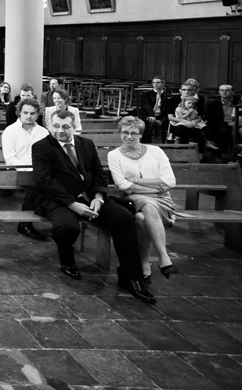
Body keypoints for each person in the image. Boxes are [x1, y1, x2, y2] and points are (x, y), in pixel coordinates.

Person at [32, 111, 156, 303]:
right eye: (55, 126)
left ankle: (131, 276)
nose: (60, 131)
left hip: (89, 197)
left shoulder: (86, 144)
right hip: (58, 199)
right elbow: (45, 182)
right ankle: (66, 257)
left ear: (74, 126)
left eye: (65, 127)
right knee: (68, 227)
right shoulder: (42, 147)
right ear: (50, 125)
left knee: (124, 218)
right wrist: (73, 205)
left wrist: (98, 196)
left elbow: (99, 174)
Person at [107, 116, 178, 280]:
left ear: (141, 134)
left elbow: (170, 181)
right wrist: (156, 187)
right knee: (146, 204)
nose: (129, 137)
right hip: (132, 200)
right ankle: (164, 258)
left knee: (141, 217)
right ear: (119, 133)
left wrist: (136, 181)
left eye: (134, 133)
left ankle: (145, 261)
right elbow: (122, 185)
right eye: (125, 132)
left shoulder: (156, 151)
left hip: (162, 201)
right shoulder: (114, 155)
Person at [0, 97, 48, 241]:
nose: (29, 116)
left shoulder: (43, 132)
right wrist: (28, 170)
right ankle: (25, 224)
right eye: (25, 113)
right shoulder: (10, 131)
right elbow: (10, 159)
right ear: (19, 113)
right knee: (36, 182)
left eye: (32, 113)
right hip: (18, 171)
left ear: (37, 115)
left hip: (40, 171)